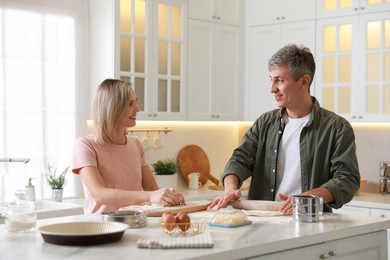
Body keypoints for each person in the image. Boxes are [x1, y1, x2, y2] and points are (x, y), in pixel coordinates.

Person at [208, 44, 360, 213]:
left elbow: (347, 180)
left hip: (308, 221)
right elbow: (240, 159)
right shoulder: (265, 122)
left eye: (279, 80)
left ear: (304, 81)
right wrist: (230, 188)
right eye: (271, 79)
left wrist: (306, 198)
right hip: (261, 220)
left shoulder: (336, 127)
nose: (272, 88)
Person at [72, 79, 185, 214]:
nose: (137, 109)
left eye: (135, 102)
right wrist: (149, 196)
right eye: (130, 104)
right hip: (100, 227)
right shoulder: (85, 146)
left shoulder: (135, 143)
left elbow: (152, 189)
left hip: (134, 223)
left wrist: (169, 197)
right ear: (112, 108)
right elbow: (99, 194)